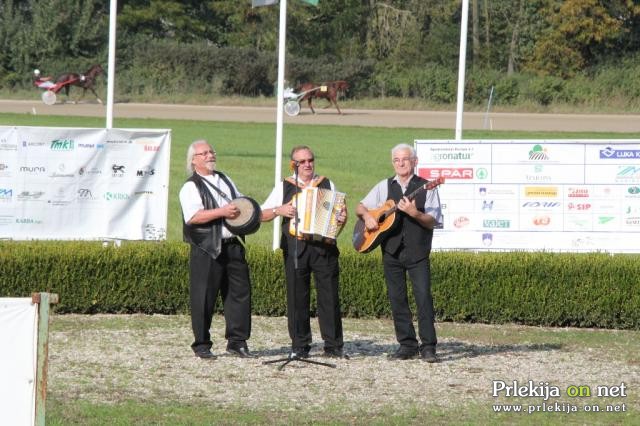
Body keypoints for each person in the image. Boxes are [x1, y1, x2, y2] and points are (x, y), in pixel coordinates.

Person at [355, 143, 443, 363]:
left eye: (405, 159)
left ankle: (428, 346)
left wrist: (414, 213)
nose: (400, 163)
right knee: (397, 299)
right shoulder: (384, 186)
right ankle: (407, 344)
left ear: (414, 162)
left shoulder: (426, 187)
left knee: (423, 298)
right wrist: (367, 216)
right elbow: (360, 206)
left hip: (418, 251)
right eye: (396, 160)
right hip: (391, 251)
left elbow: (433, 221)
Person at [261, 145, 348, 359]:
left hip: (323, 247)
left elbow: (338, 216)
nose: (308, 164)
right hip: (296, 247)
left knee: (329, 295)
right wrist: (279, 210)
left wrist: (341, 219)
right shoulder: (284, 186)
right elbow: (261, 214)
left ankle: (333, 345)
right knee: (297, 296)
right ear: (294, 165)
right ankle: (300, 345)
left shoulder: (327, 183)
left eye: (310, 160)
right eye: (302, 162)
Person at [179, 140, 255, 360]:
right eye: (204, 153)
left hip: (232, 245)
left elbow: (240, 203)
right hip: (207, 247)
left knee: (239, 294)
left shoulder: (225, 179)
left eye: (211, 152)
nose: (210, 155)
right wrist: (222, 212)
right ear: (193, 160)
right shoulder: (190, 186)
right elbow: (193, 217)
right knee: (203, 297)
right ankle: (201, 344)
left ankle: (237, 342)